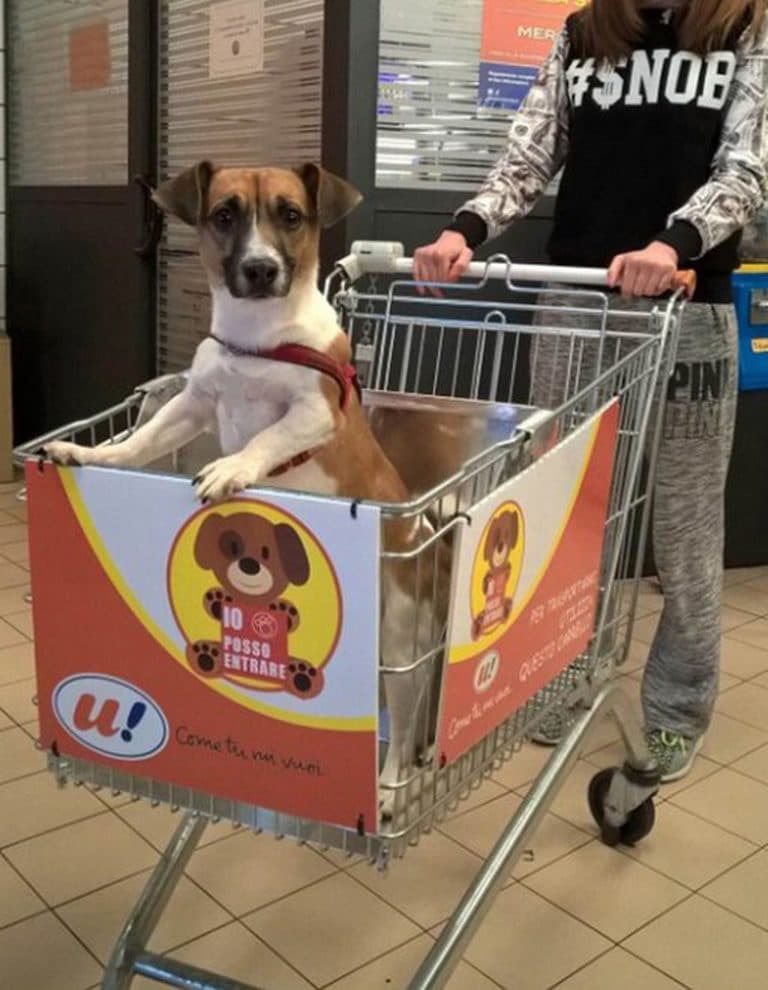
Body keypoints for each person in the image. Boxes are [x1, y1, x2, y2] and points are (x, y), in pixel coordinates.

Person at [414, 0, 768, 781]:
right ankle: (565, 669)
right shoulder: (584, 31)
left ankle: (676, 709)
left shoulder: (746, 28)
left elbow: (746, 167)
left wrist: (672, 243)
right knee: (571, 509)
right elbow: (530, 152)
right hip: (576, 302)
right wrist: (464, 229)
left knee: (684, 526)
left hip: (685, 306)